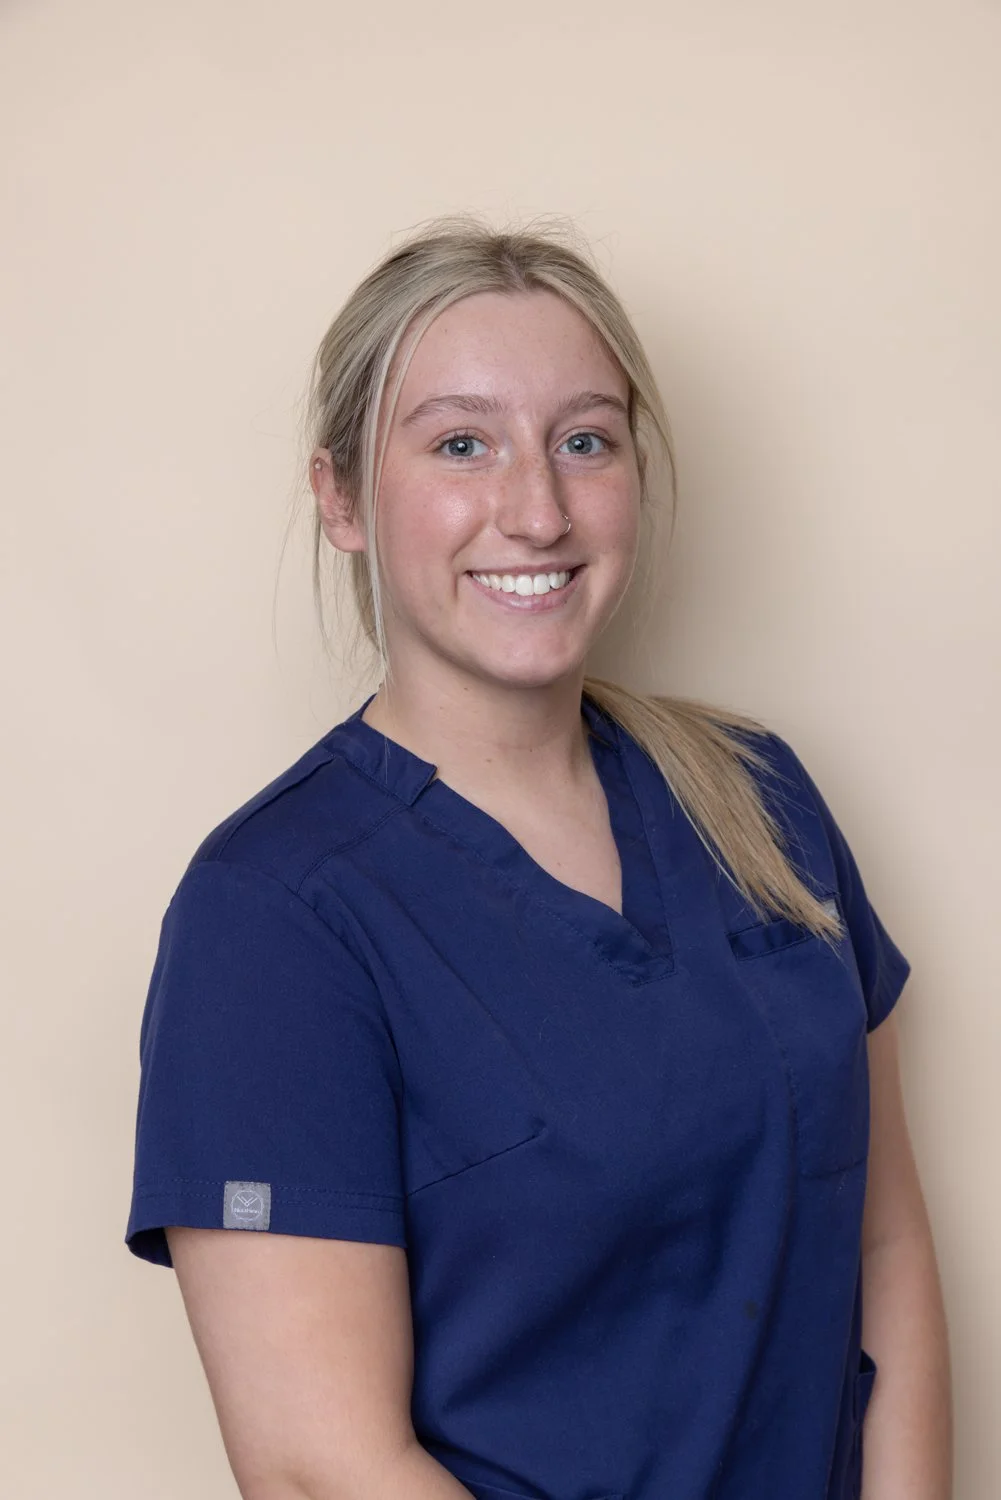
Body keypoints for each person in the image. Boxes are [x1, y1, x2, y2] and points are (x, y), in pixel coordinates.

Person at [124, 215, 951, 1500]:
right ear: (339, 498)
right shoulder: (274, 918)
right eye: (461, 443)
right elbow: (317, 1465)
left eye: (584, 440)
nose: (538, 507)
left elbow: (883, 1252)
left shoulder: (759, 799)